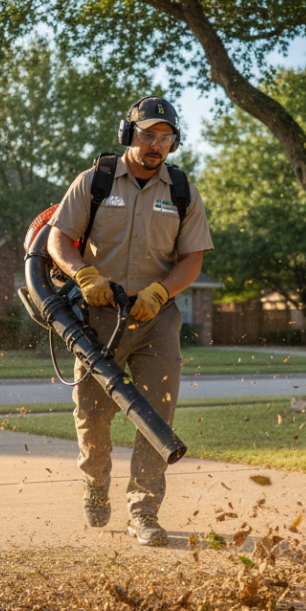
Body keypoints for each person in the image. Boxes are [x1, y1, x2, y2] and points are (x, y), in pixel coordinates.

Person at [47, 96, 213, 546]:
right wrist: (83, 274)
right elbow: (58, 239)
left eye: (166, 137)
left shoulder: (181, 191)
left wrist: (161, 291)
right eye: (148, 134)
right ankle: (95, 484)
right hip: (97, 318)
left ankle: (144, 512)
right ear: (128, 133)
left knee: (155, 417)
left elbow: (192, 259)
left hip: (156, 319)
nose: (156, 144)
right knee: (93, 418)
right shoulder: (95, 182)